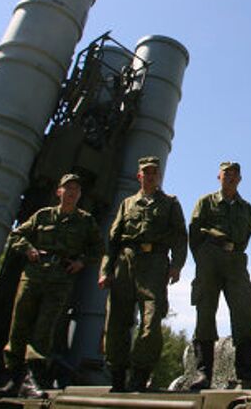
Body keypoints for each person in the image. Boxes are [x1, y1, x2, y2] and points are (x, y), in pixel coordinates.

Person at [0, 174, 103, 399]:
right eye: (67, 188)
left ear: (80, 195)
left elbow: (98, 248)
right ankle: (13, 379)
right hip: (33, 275)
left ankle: (33, 379)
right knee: (19, 325)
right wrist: (28, 249)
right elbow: (16, 235)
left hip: (60, 279)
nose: (72, 192)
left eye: (76, 189)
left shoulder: (85, 221)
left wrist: (81, 262)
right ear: (59, 192)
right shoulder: (43, 216)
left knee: (45, 327)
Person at [98, 156, 188, 392]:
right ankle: (117, 376)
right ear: (139, 176)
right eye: (146, 173)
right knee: (116, 321)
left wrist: (177, 265)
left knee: (151, 321)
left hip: (155, 264)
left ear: (159, 176)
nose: (150, 176)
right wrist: (105, 270)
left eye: (154, 173)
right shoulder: (127, 204)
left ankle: (140, 375)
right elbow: (112, 240)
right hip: (125, 263)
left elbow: (180, 237)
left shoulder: (170, 203)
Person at [188, 162, 251, 391]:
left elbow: (247, 234)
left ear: (240, 179)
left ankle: (247, 377)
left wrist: (232, 250)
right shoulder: (206, 202)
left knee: (245, 313)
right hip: (209, 259)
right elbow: (194, 232)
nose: (231, 177)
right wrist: (204, 257)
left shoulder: (246, 207)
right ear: (219, 176)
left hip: (235, 259)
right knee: (205, 312)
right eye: (227, 174)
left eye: (235, 175)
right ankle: (203, 375)